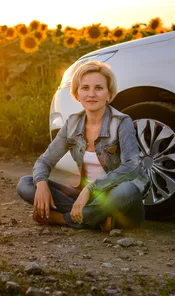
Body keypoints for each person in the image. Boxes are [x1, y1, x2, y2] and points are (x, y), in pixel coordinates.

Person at [16, 61, 151, 231]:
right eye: (85, 88)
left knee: (128, 190)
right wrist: (42, 184)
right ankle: (98, 218)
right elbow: (45, 161)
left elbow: (131, 167)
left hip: (117, 199)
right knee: (26, 184)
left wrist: (91, 188)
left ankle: (64, 219)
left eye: (99, 88)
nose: (91, 94)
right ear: (77, 94)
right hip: (86, 198)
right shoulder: (72, 123)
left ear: (109, 93)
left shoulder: (122, 122)